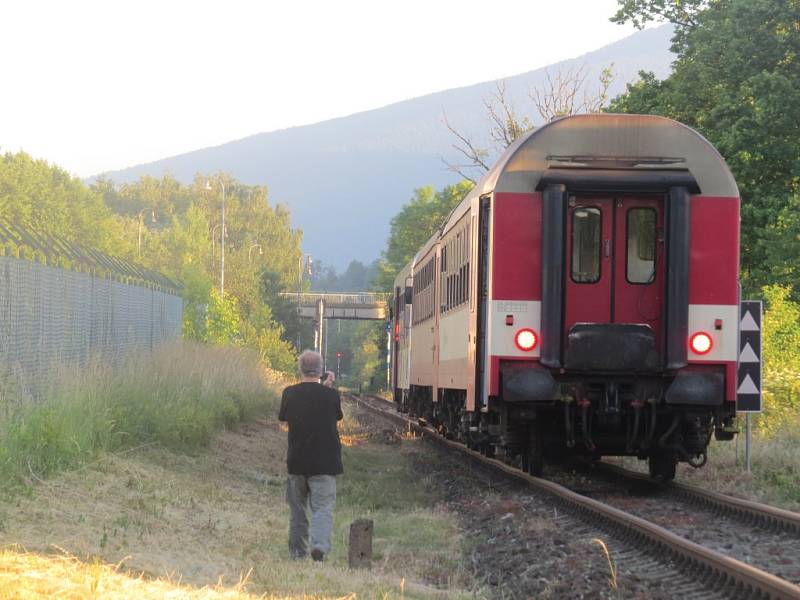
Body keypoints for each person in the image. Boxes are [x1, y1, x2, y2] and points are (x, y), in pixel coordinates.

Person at [278, 350, 343, 561]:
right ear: (321, 370)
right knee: (322, 507)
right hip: (325, 463)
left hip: (297, 461)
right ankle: (319, 547)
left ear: (300, 369)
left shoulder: (289, 393)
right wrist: (327, 388)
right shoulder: (332, 395)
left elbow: (285, 417)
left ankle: (297, 552)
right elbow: (332, 412)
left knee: (297, 510)